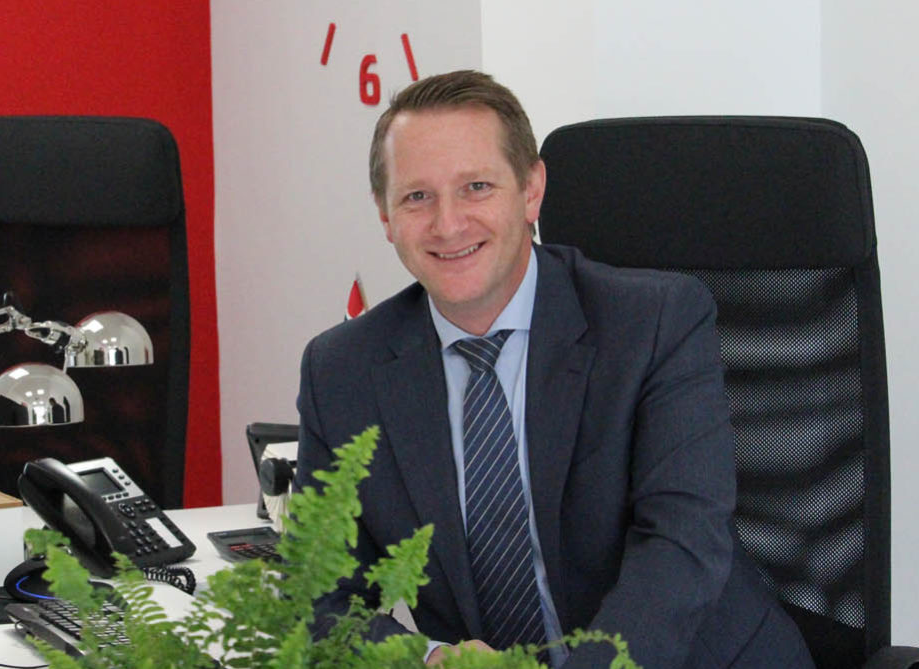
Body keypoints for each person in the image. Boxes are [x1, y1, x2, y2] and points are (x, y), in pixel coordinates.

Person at [292, 70, 813, 668]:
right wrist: (428, 660)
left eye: (476, 187)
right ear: (385, 216)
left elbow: (680, 549)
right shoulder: (341, 372)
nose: (448, 224)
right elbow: (318, 599)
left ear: (531, 191)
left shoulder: (656, 323)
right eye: (417, 197)